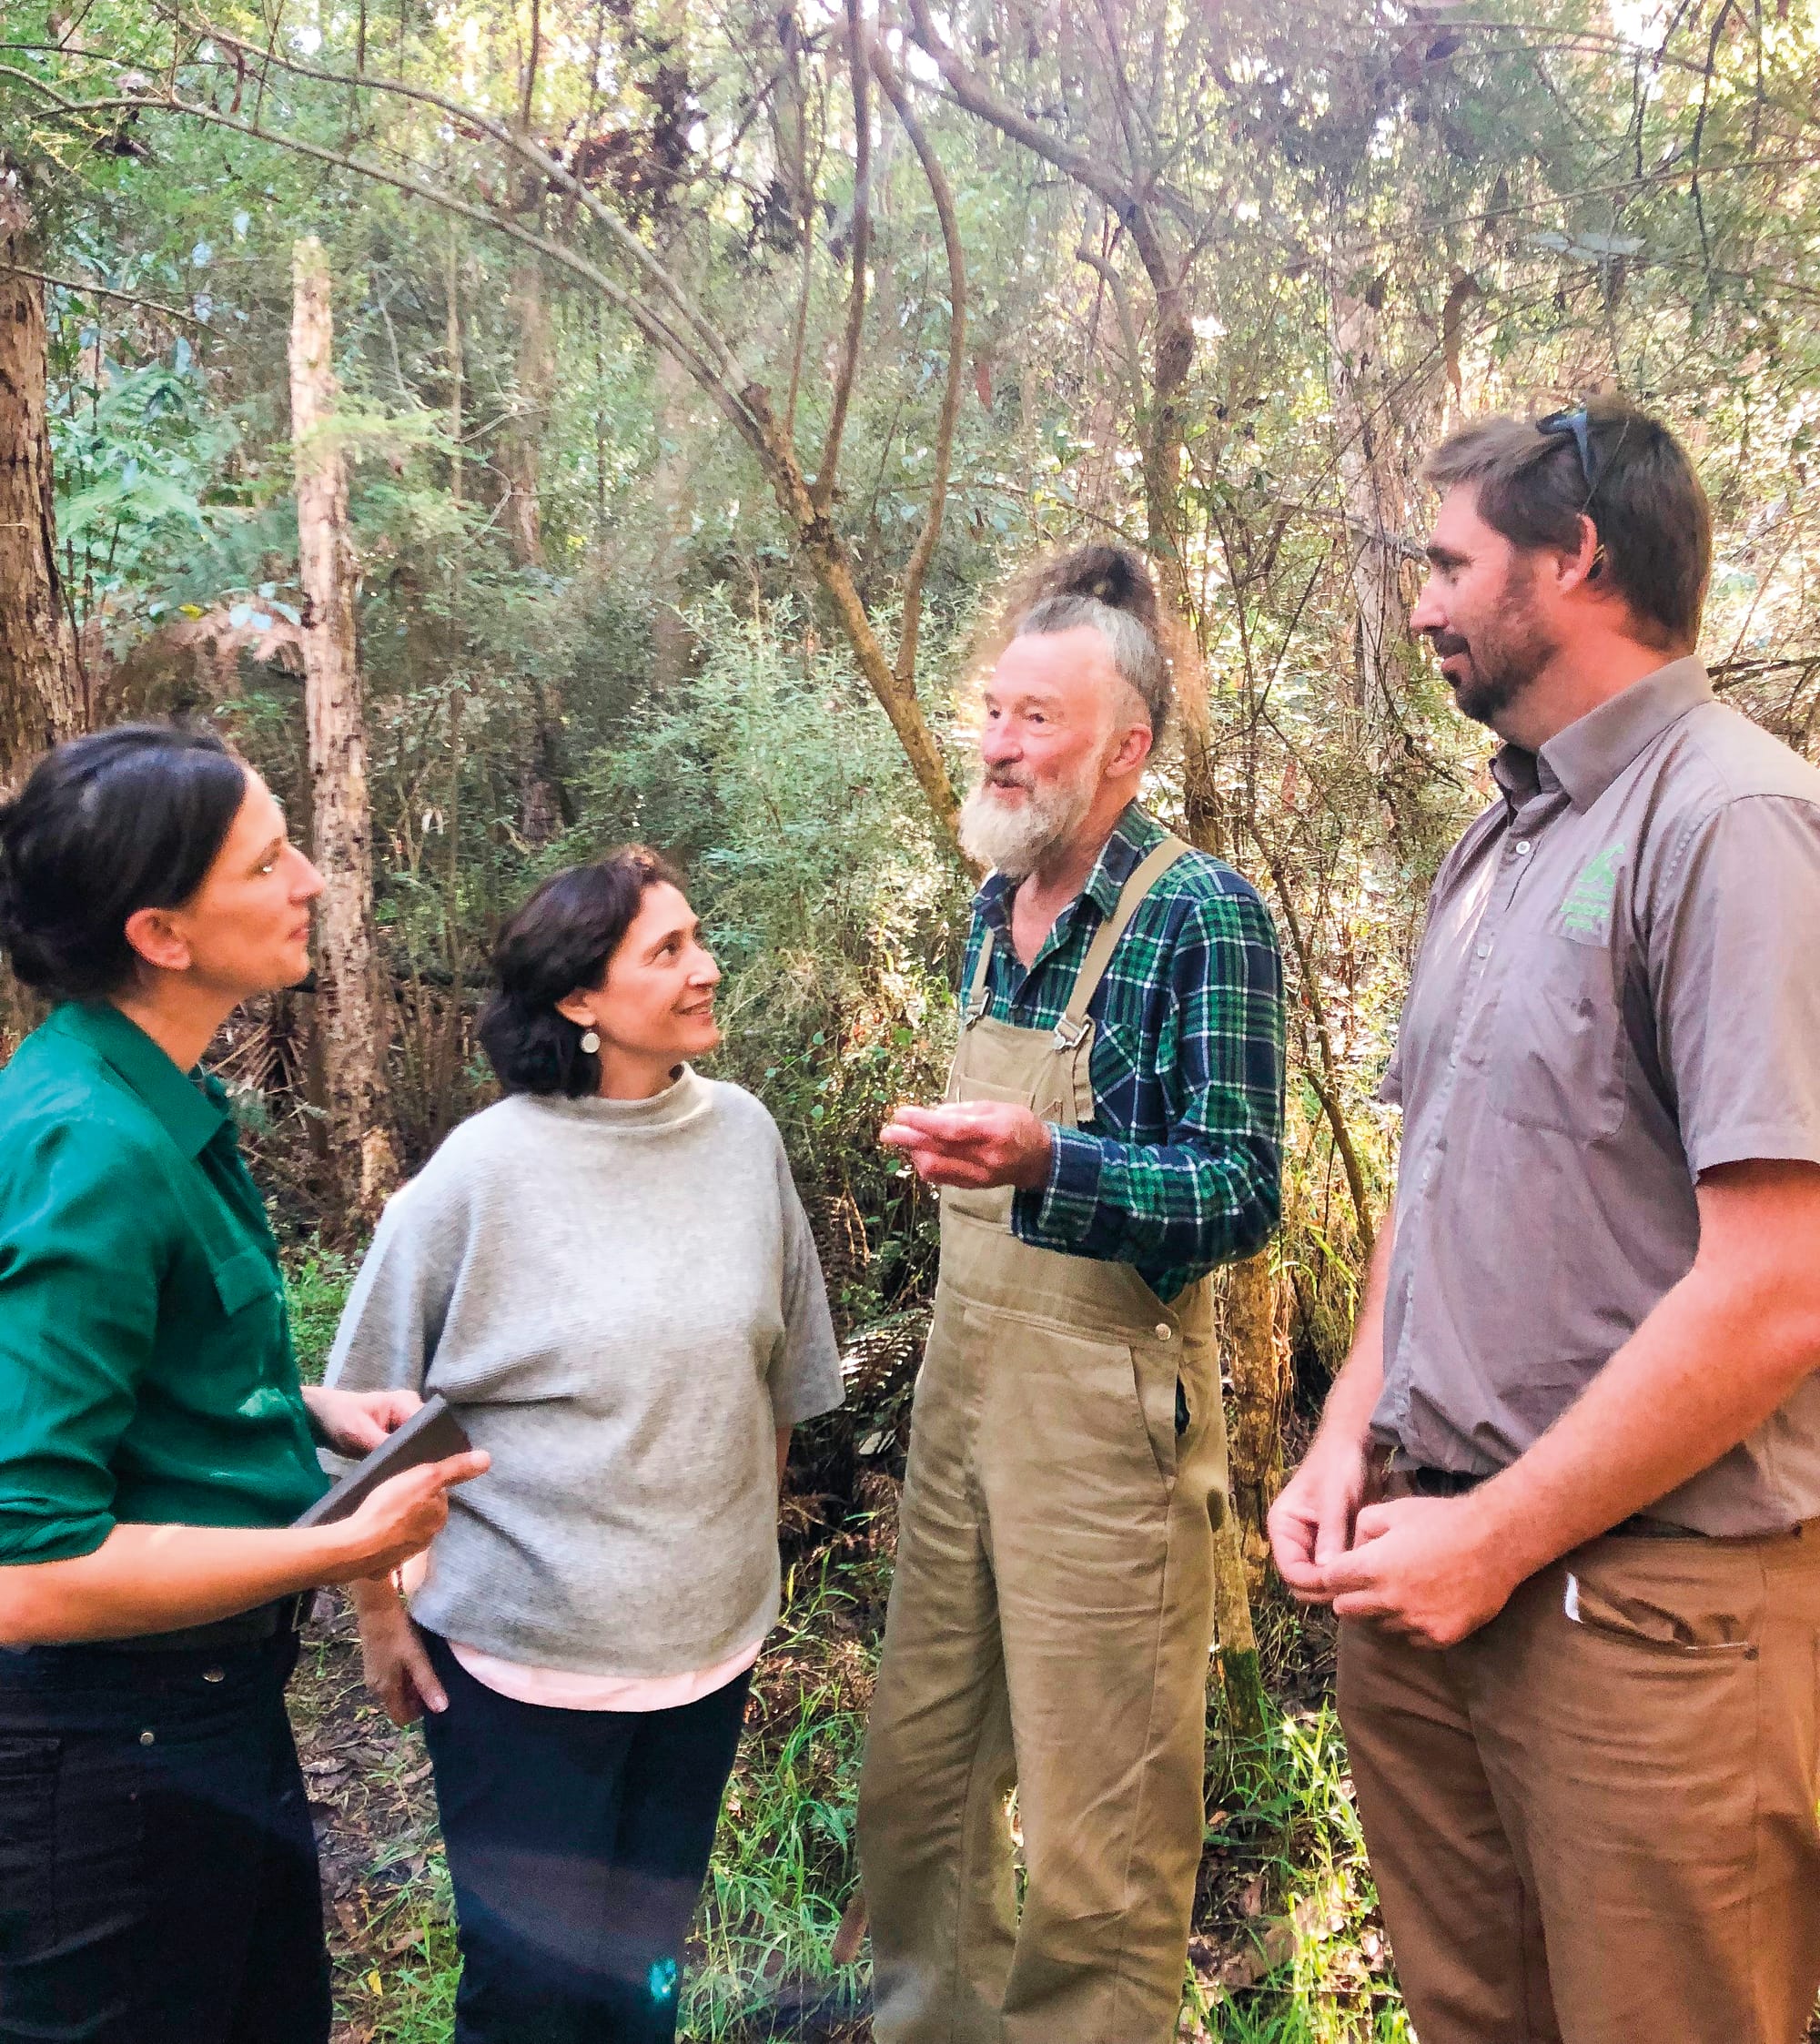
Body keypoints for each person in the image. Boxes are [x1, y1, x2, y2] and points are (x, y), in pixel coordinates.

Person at [1269, 399, 1820, 2042]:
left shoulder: (1734, 825)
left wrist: (1497, 1534)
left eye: (1449, 564)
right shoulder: (1496, 845)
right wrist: (1340, 1435)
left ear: (1575, 557)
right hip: (1426, 1585)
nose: (1421, 604)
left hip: (1649, 1625)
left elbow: (1782, 1286)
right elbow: (1432, 1183)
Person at [0, 723, 486, 2044]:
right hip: (106, 1763)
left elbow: (143, 1362)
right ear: (162, 932)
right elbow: (27, 1574)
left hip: (210, 1724)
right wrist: (340, 1548)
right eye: (270, 859)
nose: (313, 877)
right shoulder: (87, 1143)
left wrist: (304, 1407)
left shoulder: (145, 1090)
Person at [857, 545, 1285, 2044]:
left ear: (1126, 746)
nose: (997, 741)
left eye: (1036, 718)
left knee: (1103, 1826)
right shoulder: (993, 905)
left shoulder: (1200, 917)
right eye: (993, 710)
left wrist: (1051, 1157)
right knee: (922, 1777)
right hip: (962, 1404)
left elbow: (1242, 1188)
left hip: (1107, 1427)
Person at [326, 846, 844, 2044]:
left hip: (703, 1665)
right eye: (666, 950)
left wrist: (731, 1569)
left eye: (698, 936)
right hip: (520, 1676)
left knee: (641, 1986)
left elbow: (775, 1385)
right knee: (529, 1999)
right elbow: (361, 1411)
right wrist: (380, 1614)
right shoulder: (482, 1169)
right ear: (578, 999)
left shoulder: (745, 1138)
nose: (707, 967)